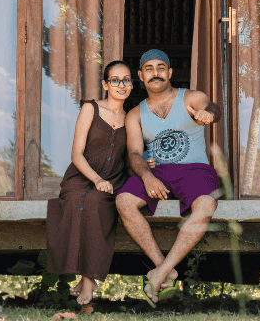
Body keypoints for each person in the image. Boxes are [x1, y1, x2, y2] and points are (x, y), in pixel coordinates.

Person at [115, 49, 223, 306]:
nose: (156, 73)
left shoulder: (190, 97)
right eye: (149, 69)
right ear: (141, 76)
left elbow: (211, 107)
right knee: (124, 201)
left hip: (195, 170)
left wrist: (210, 113)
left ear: (170, 72)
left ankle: (160, 274)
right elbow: (134, 153)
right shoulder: (135, 114)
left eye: (161, 67)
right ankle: (165, 268)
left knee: (206, 205)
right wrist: (147, 176)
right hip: (157, 173)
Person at [46, 60, 134, 305]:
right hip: (81, 177)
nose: (121, 84)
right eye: (115, 80)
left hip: (113, 181)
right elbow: (76, 153)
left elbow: (131, 156)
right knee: (77, 201)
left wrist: (145, 164)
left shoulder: (132, 117)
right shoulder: (90, 109)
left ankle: (88, 280)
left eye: (126, 79)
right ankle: (87, 280)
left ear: (131, 84)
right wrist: (96, 178)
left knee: (96, 203)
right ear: (106, 84)